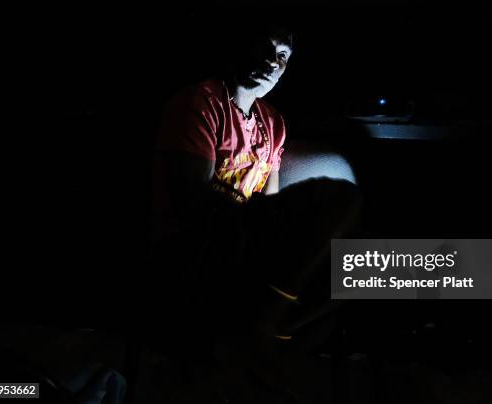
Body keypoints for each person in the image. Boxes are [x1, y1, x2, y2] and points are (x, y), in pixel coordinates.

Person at [150, 21, 362, 400]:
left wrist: (288, 230)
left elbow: (272, 197)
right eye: (264, 49)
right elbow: (191, 198)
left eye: (281, 56)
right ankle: (259, 334)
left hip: (246, 242)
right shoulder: (201, 102)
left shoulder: (273, 123)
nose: (271, 62)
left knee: (357, 273)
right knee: (341, 201)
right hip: (195, 244)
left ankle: (258, 339)